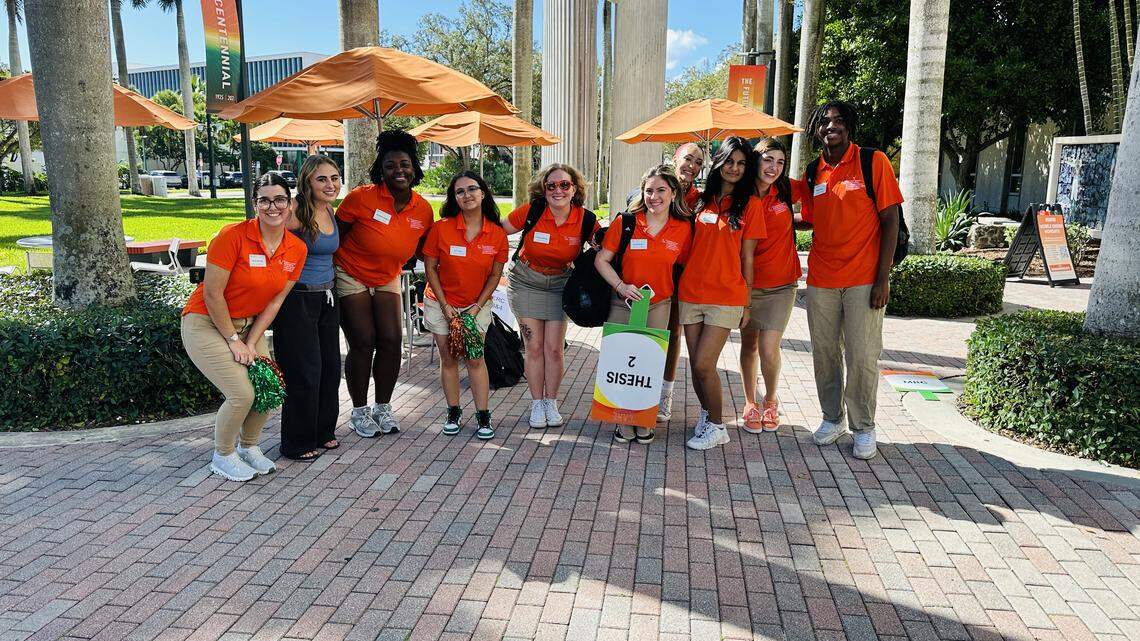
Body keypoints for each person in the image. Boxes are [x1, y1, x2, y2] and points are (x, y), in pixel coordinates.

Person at [181, 173, 308, 481]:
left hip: (248, 325)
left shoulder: (296, 249)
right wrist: (233, 340)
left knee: (269, 388)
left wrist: (251, 340)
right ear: (255, 205)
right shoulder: (232, 236)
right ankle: (222, 455)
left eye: (279, 199)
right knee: (242, 393)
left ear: (290, 204)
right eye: (264, 200)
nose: (272, 206)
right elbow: (212, 293)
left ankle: (249, 448)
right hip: (206, 322)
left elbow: (275, 302)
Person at [801, 101, 903, 460]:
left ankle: (864, 426)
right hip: (821, 279)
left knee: (861, 355)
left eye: (839, 121)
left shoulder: (873, 162)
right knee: (825, 353)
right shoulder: (815, 171)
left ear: (850, 128)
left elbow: (890, 220)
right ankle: (833, 418)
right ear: (816, 131)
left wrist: (883, 278)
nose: (832, 126)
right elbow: (810, 220)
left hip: (863, 278)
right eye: (825, 122)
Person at [334, 130, 433, 437]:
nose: (398, 170)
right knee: (364, 341)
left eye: (404, 164)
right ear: (381, 169)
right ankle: (360, 411)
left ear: (414, 168)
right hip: (350, 273)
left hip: (388, 275)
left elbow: (424, 250)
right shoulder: (361, 198)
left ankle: (383, 407)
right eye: (390, 165)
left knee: (391, 340)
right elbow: (333, 235)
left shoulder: (423, 209)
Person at [677, 136, 766, 451]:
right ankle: (706, 415)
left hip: (726, 296)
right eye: (730, 161)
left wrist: (747, 302)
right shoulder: (698, 201)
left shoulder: (751, 206)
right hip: (690, 292)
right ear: (718, 162)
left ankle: (717, 426)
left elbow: (748, 258)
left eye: (742, 163)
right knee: (696, 369)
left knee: (704, 365)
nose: (735, 168)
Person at [595, 164, 693, 444]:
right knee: (622, 363)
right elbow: (601, 259)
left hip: (659, 303)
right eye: (648, 190)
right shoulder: (626, 222)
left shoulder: (684, 229)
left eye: (661, 190)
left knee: (648, 364)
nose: (654, 196)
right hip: (623, 302)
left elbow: (686, 267)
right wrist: (621, 286)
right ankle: (622, 419)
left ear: (673, 193)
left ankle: (643, 418)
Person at [503, 164, 599, 430]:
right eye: (551, 185)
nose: (558, 190)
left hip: (560, 285)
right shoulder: (532, 211)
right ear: (543, 190)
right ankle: (536, 403)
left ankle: (550, 402)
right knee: (534, 347)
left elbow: (606, 247)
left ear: (575, 188)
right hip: (526, 282)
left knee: (554, 350)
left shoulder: (586, 219)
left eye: (564, 185)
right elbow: (497, 231)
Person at [422, 171, 508, 440]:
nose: (467, 195)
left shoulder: (496, 234)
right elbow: (430, 268)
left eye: (472, 189)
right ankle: (453, 411)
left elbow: (495, 275)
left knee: (475, 357)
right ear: (454, 198)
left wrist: (475, 307)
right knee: (448, 357)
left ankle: (483, 415)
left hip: (476, 306)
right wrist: (446, 307)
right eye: (460, 191)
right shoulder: (441, 228)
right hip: (440, 303)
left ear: (483, 193)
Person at [271, 155, 342, 462]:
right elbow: (269, 238)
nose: (330, 184)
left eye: (335, 177)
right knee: (304, 372)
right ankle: (297, 442)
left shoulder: (329, 209)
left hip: (327, 297)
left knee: (329, 368)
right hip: (297, 299)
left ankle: (323, 431)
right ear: (307, 182)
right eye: (322, 179)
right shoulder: (297, 210)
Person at [739, 138, 809, 434]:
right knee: (749, 344)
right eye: (768, 160)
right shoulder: (740, 193)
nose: (774, 167)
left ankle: (770, 400)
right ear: (756, 160)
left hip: (782, 283)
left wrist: (795, 221)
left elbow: (819, 200)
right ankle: (749, 402)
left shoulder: (786, 188)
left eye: (780, 162)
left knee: (769, 348)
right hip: (747, 283)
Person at [657, 143, 706, 423]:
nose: (691, 165)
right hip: (652, 270)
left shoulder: (700, 198)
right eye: (687, 158)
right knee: (647, 331)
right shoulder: (658, 184)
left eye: (698, 161)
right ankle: (641, 392)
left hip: (681, 274)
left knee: (673, 334)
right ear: (675, 158)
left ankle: (665, 395)